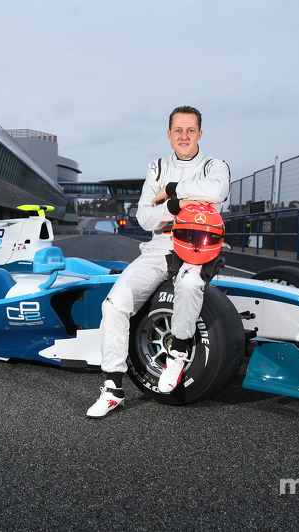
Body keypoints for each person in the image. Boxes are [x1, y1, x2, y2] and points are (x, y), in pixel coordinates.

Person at [86, 105, 231, 418]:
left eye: (190, 130)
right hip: (160, 246)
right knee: (115, 303)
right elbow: (146, 217)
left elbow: (217, 191)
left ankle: (178, 351)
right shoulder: (156, 167)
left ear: (200, 134)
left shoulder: (214, 165)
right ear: (169, 135)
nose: (184, 136)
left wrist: (170, 191)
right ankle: (112, 388)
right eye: (177, 130)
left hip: (198, 244)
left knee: (190, 284)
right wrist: (179, 205)